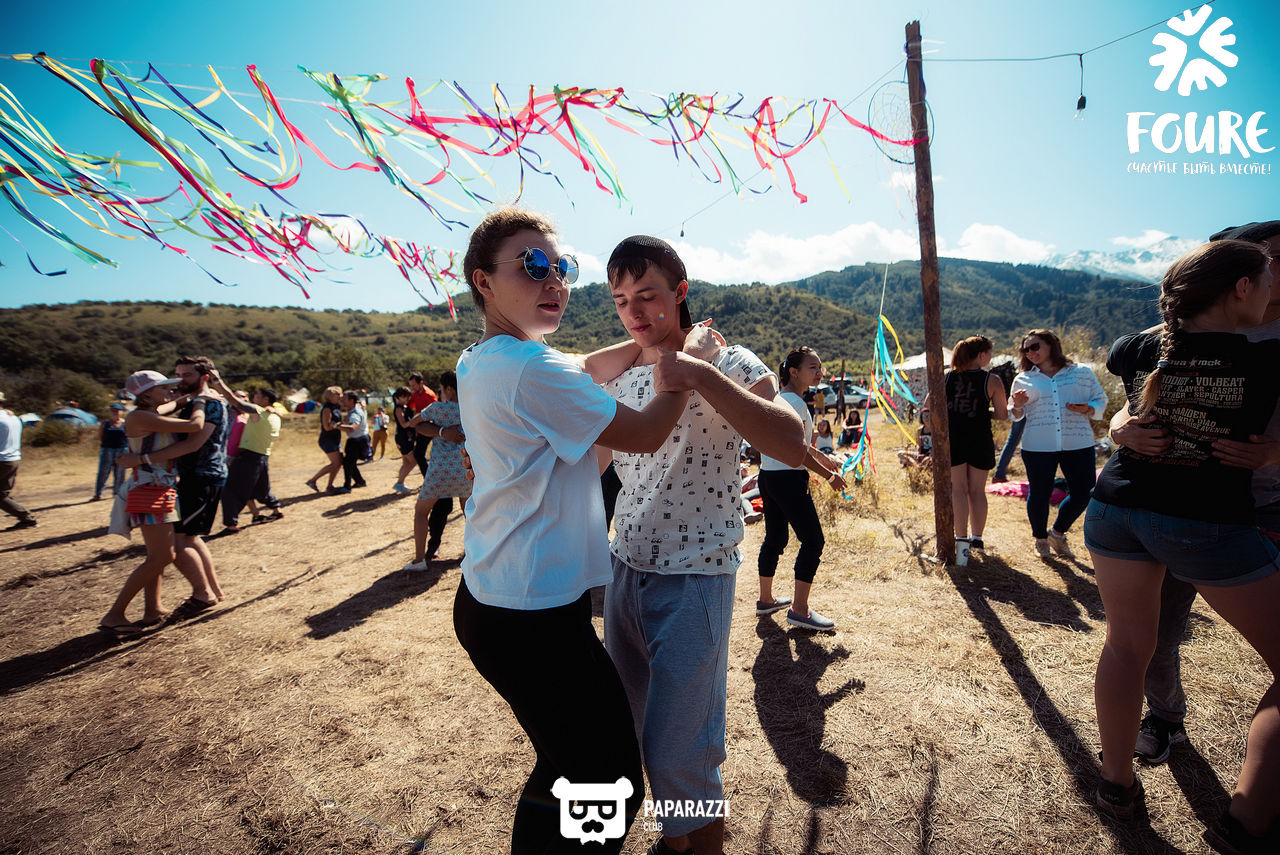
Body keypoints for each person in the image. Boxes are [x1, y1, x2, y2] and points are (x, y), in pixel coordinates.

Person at [453, 207, 705, 855]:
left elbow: (584, 367)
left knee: (565, 763)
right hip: (531, 617)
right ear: (484, 280)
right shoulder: (534, 370)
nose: (555, 280)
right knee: (609, 777)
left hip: (496, 597)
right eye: (533, 265)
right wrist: (682, 364)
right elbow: (645, 433)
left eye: (562, 266)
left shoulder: (484, 357)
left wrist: (645, 347)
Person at [583, 234, 806, 855]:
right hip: (625, 569)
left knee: (681, 754)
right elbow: (594, 458)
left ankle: (699, 844)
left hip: (696, 574)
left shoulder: (730, 361)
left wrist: (700, 372)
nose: (634, 310)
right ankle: (668, 844)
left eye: (647, 294)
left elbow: (791, 443)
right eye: (621, 300)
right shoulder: (621, 373)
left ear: (680, 292)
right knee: (626, 732)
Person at [1084, 240, 1280, 854]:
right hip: (1203, 521)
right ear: (1241, 289)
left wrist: (1120, 425)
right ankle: (1246, 823)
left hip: (1114, 510)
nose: (1271, 290)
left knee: (1125, 647)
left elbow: (1130, 379)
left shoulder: (1139, 346)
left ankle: (1116, 784)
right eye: (1266, 279)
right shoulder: (1268, 358)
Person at [101, 370, 216, 636]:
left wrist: (192, 394)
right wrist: (201, 401)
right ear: (146, 393)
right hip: (149, 490)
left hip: (158, 488)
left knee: (157, 557)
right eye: (162, 387)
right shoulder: (141, 417)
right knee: (162, 557)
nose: (169, 391)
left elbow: (175, 404)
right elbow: (194, 426)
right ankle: (114, 614)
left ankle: (152, 610)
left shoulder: (149, 412)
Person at [755, 347, 847, 632]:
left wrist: (823, 458)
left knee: (775, 538)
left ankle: (766, 600)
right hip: (788, 479)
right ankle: (800, 610)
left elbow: (800, 445)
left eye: (820, 367)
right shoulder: (794, 403)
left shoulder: (781, 399)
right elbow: (797, 450)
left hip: (768, 476)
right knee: (813, 541)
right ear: (794, 372)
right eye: (813, 367)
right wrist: (829, 476)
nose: (819, 372)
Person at [1009, 329, 1107, 559]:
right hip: (1037, 446)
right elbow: (1014, 414)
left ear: (1051, 344)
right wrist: (1018, 405)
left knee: (1084, 492)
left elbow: (1100, 400)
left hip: (1078, 442)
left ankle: (1057, 532)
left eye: (1035, 346)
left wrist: (1089, 408)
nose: (1030, 352)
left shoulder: (1081, 372)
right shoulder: (1024, 378)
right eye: (1026, 349)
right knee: (1039, 494)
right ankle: (1040, 539)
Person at [166, 355, 229, 616]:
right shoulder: (194, 401)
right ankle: (213, 590)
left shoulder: (209, 403)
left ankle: (203, 596)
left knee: (177, 542)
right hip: (195, 476)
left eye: (187, 375)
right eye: (178, 374)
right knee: (190, 537)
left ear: (203, 377)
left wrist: (144, 458)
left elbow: (195, 443)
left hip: (203, 476)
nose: (181, 380)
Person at [943, 336, 1008, 551]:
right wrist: (982, 411)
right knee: (977, 491)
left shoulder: (947, 377)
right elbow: (1002, 414)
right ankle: (977, 538)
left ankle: (961, 541)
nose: (990, 357)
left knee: (958, 490)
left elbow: (929, 404)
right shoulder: (992, 380)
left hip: (954, 439)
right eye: (990, 353)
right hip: (980, 439)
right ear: (981, 355)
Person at [402, 370, 470, 570]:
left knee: (421, 512)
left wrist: (437, 430)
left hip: (439, 471)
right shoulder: (471, 408)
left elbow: (415, 423)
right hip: (464, 469)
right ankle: (474, 553)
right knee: (470, 514)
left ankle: (419, 560)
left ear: (448, 389)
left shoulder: (437, 408)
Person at [215, 380, 284, 533]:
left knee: (230, 490)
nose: (253, 397)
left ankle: (231, 525)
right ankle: (276, 510)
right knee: (261, 488)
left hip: (249, 457)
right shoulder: (275, 416)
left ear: (266, 399)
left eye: (257, 395)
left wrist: (218, 381)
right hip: (262, 457)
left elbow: (233, 401)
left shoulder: (258, 412)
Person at [0, 389, 37, 529]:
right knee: (1, 495)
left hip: (2, 460)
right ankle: (26, 518)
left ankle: (26, 518)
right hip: (12, 459)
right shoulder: (12, 417)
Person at [305, 386, 344, 493]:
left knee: (338, 463)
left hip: (335, 439)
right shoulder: (327, 409)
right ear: (330, 396)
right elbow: (326, 427)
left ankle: (330, 486)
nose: (340, 396)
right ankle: (313, 480)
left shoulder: (336, 406)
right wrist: (337, 425)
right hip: (328, 440)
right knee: (336, 463)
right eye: (337, 394)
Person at [93, 402, 128, 501]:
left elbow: (128, 436)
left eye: (117, 410)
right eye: (113, 410)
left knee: (120, 472)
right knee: (103, 471)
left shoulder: (125, 423)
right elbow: (101, 436)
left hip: (122, 450)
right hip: (107, 449)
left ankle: (117, 493)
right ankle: (98, 493)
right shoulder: (105, 423)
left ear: (121, 412)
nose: (115, 412)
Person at [407, 372, 438, 478]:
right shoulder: (415, 394)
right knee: (418, 454)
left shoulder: (429, 395)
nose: (412, 388)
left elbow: (436, 412)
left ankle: (428, 479)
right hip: (420, 428)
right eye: (411, 386)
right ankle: (428, 478)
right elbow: (410, 406)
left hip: (429, 428)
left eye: (414, 385)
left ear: (421, 383)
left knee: (419, 453)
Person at [337, 390, 369, 492]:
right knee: (350, 462)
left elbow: (352, 428)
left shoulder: (355, 413)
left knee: (348, 463)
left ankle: (347, 486)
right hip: (360, 439)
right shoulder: (357, 408)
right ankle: (360, 481)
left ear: (351, 401)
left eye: (344, 399)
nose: (342, 400)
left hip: (357, 440)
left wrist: (336, 426)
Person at [390, 387, 418, 493]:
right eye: (404, 396)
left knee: (406, 462)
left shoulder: (404, 407)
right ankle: (399, 483)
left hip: (406, 437)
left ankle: (400, 483)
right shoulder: (399, 409)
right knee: (413, 461)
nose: (406, 399)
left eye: (407, 396)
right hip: (403, 438)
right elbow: (403, 424)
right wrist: (415, 420)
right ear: (398, 397)